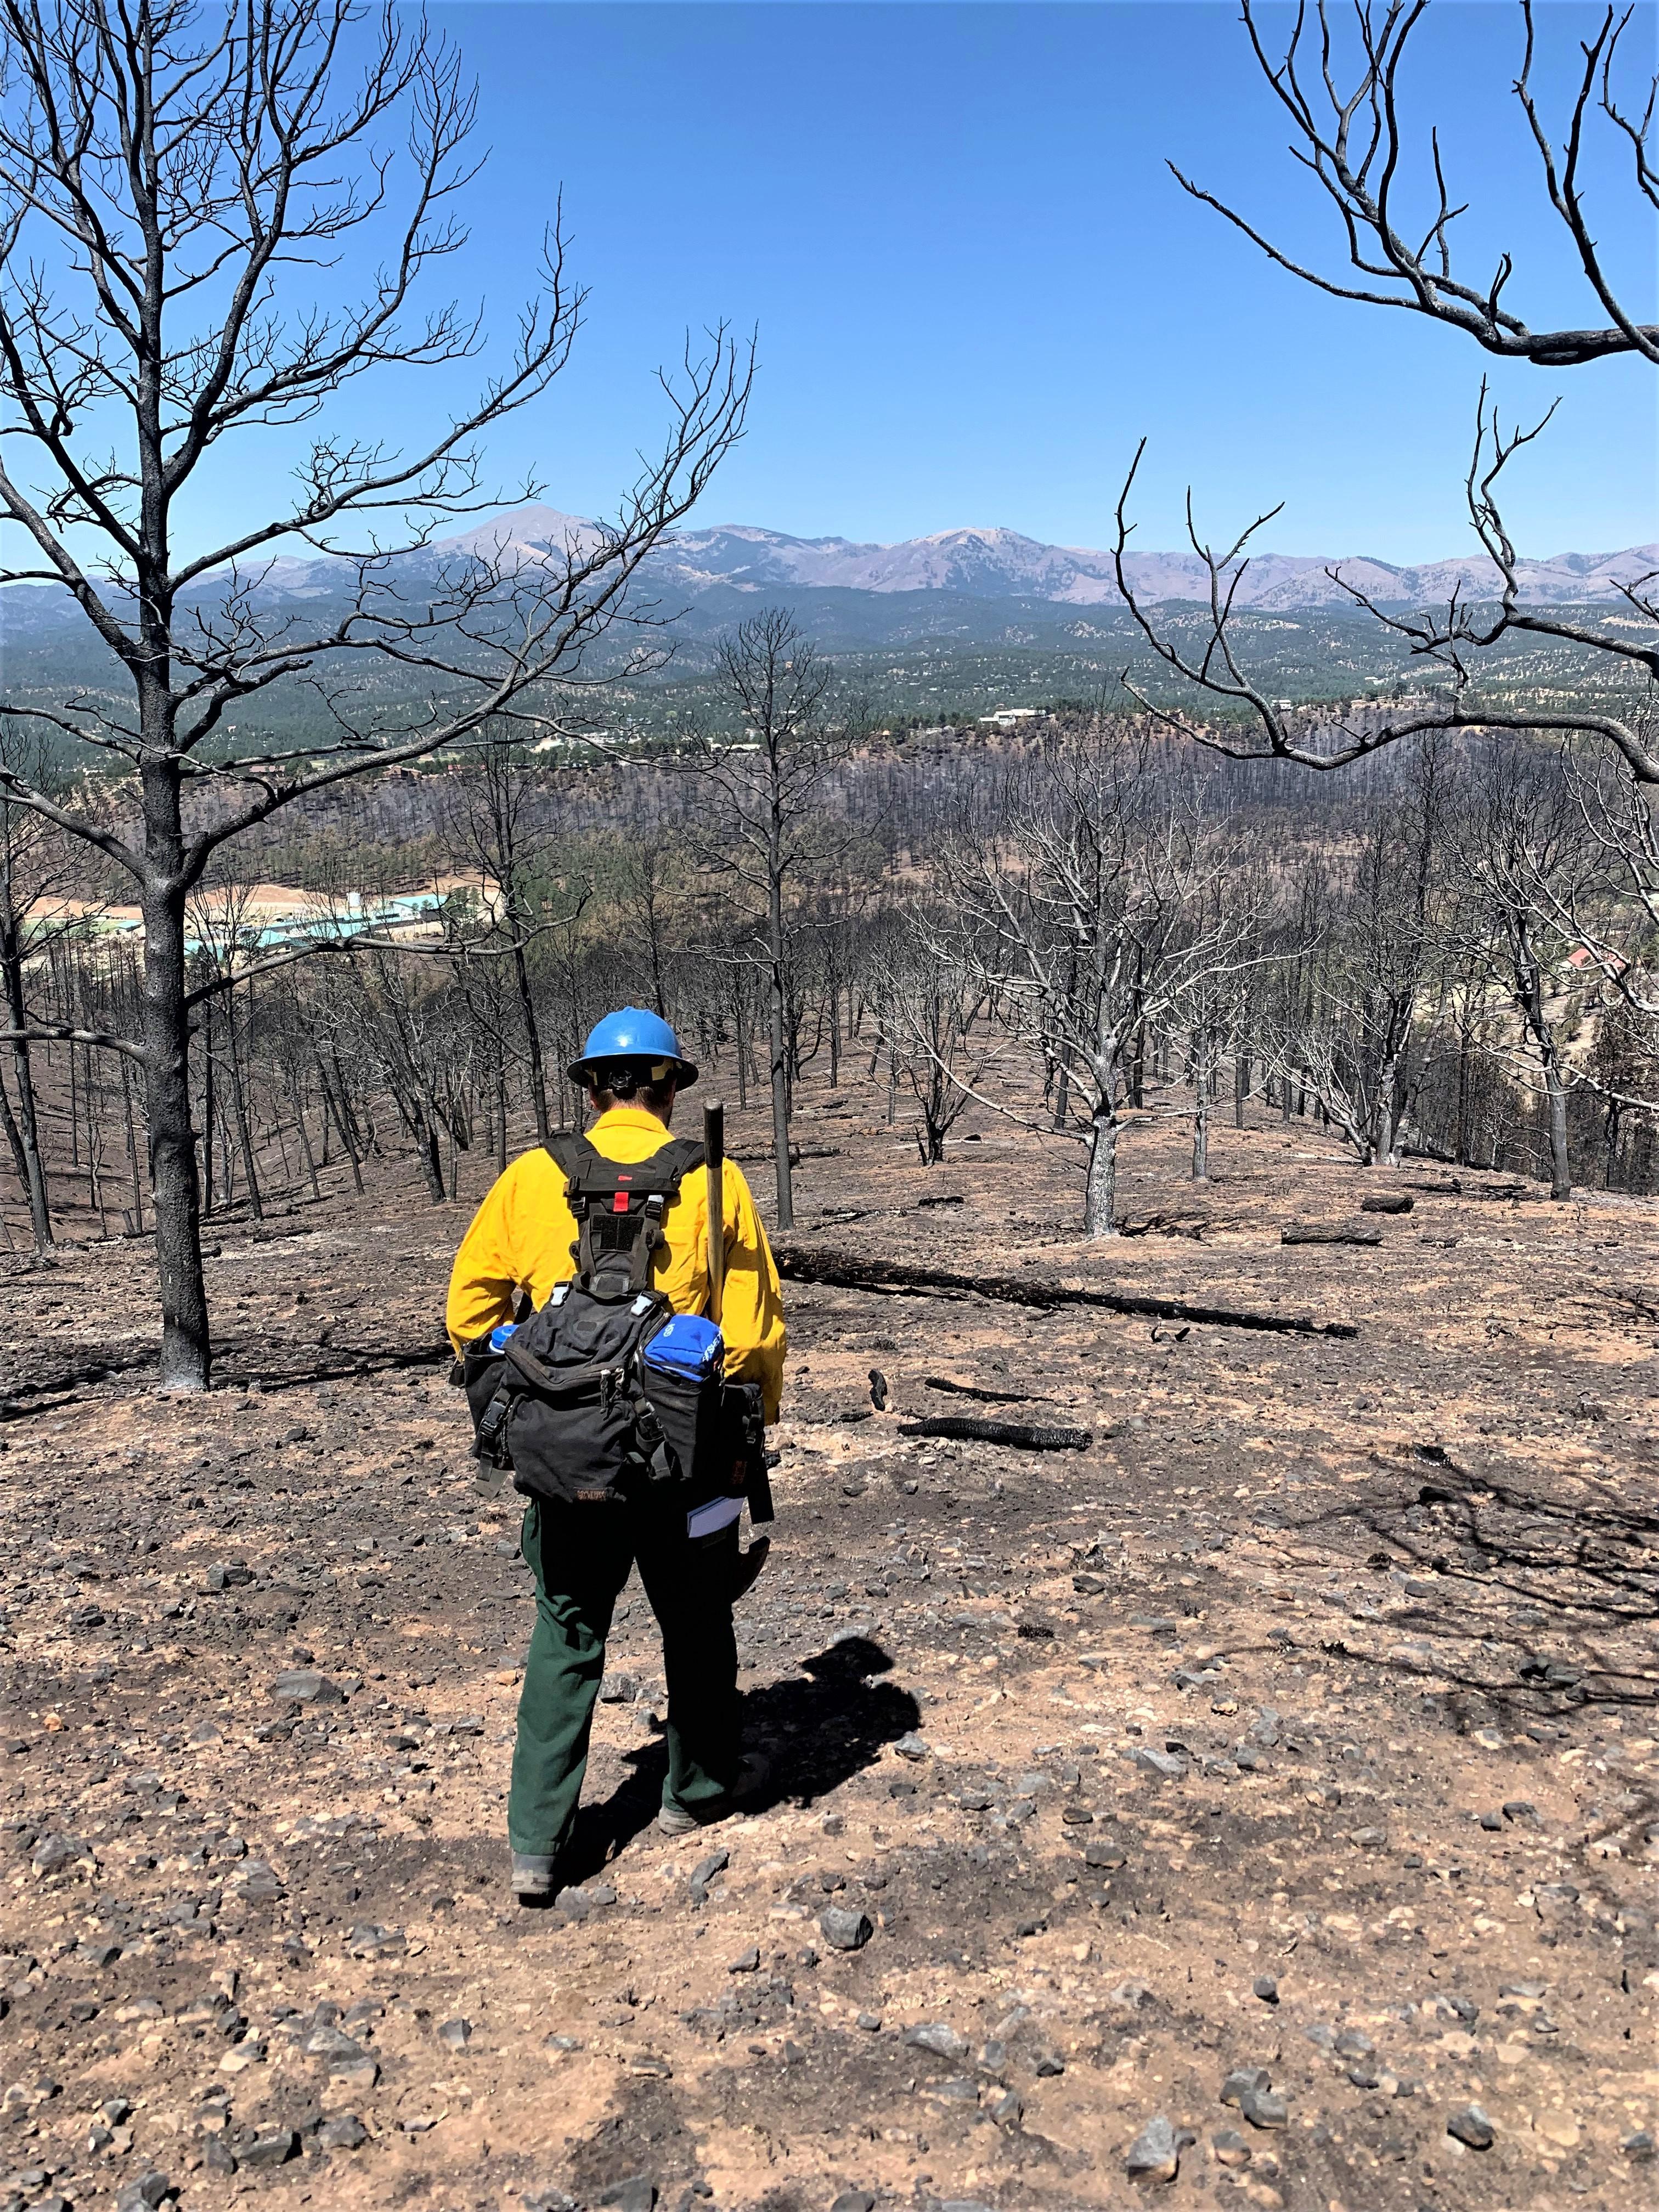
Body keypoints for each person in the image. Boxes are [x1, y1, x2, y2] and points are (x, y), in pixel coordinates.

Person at [445, 1008, 787, 1899]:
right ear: (671, 1088)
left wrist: (521, 1390)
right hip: (686, 1459)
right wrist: (749, 1439)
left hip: (566, 1457)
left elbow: (468, 1311)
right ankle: (696, 1793)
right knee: (699, 1626)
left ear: (591, 1087)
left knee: (565, 1633)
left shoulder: (529, 1178)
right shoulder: (717, 1180)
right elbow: (751, 1338)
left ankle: (537, 1844)